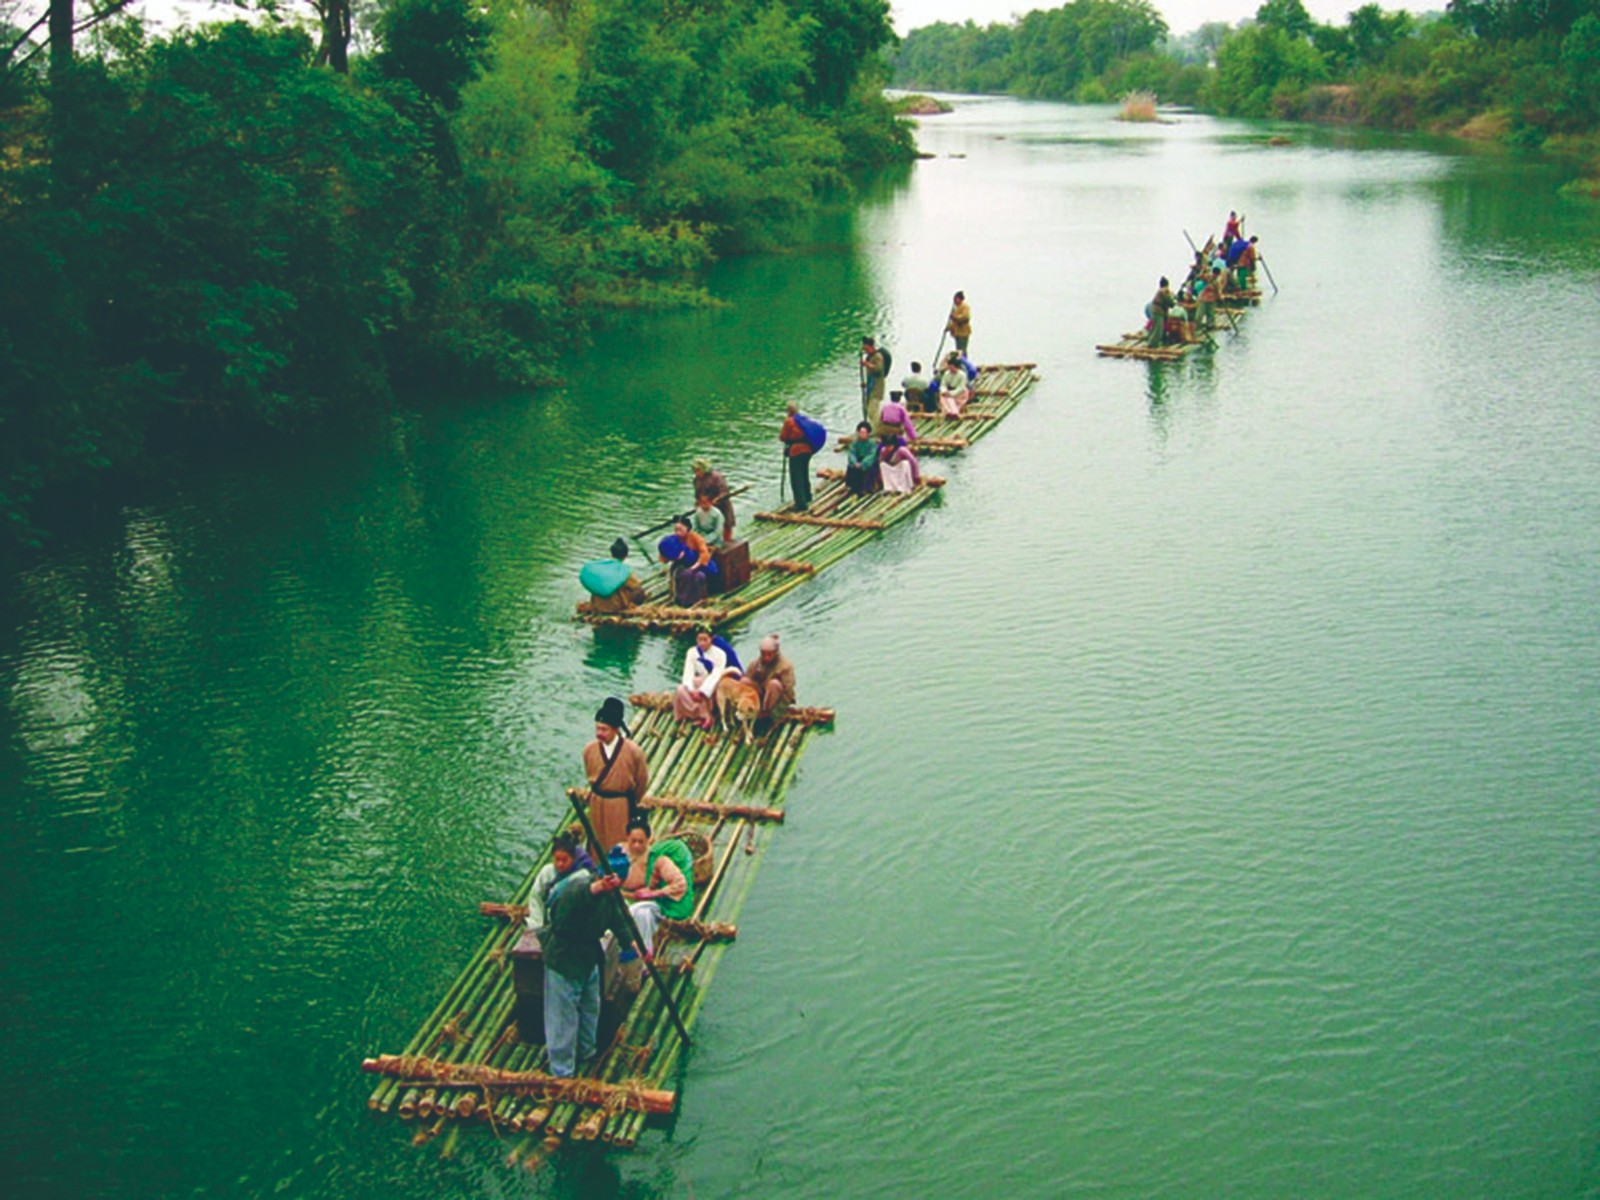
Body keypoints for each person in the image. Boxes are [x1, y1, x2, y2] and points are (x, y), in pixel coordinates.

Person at [538, 854, 629, 1077]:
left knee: (590, 1007)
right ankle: (562, 1070)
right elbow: (569, 902)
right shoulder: (579, 887)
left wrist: (633, 946)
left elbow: (620, 920)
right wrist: (597, 888)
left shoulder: (611, 897)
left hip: (588, 957)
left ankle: (586, 1051)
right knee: (563, 1016)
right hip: (564, 957)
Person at [582, 697, 650, 858]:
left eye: (604, 730)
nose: (599, 734)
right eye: (597, 728)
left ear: (616, 729)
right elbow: (589, 773)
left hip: (620, 804)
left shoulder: (633, 751)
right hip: (597, 802)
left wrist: (630, 800)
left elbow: (641, 780)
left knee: (619, 843)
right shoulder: (589, 750)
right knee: (596, 841)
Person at [622, 816, 696, 954]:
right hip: (652, 902)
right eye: (633, 841)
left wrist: (652, 893)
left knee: (639, 912)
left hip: (669, 905)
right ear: (627, 838)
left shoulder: (660, 860)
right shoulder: (623, 853)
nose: (637, 845)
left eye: (641, 842)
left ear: (648, 840)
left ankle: (645, 952)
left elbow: (680, 884)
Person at [525, 828, 596, 931]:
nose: (560, 864)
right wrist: (537, 923)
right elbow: (536, 896)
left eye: (564, 860)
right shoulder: (547, 871)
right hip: (551, 920)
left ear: (573, 859)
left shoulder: (582, 876)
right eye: (557, 860)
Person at [674, 628, 733, 729]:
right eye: (699, 640)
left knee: (699, 682)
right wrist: (691, 690)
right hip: (697, 684)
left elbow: (716, 675)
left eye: (705, 640)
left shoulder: (720, 654)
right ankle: (698, 714)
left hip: (713, 685)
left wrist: (702, 691)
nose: (702, 643)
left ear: (711, 639)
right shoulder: (692, 652)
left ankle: (707, 715)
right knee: (680, 689)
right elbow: (688, 672)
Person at [578, 538, 647, 613]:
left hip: (597, 606)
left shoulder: (601, 567)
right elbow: (636, 587)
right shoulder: (624, 571)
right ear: (625, 555)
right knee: (639, 591)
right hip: (615, 607)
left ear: (611, 553)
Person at [658, 516, 717, 600]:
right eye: (676, 530)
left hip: (698, 563)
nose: (678, 533)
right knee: (675, 572)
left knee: (697, 576)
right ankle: (677, 595)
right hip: (682, 563)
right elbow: (665, 556)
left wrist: (693, 568)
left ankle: (695, 598)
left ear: (688, 528)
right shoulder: (674, 539)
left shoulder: (696, 538)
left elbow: (704, 554)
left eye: (680, 530)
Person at [744, 633, 796, 722]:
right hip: (761, 696)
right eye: (764, 654)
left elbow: (788, 692)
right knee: (744, 681)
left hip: (777, 700)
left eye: (769, 654)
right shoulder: (755, 664)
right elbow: (748, 679)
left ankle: (766, 713)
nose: (766, 657)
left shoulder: (785, 666)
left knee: (773, 684)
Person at [779, 402, 814, 511]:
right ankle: (807, 496)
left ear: (789, 411)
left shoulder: (789, 421)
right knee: (804, 472)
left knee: (796, 477)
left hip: (796, 451)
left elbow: (783, 436)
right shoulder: (804, 419)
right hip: (807, 450)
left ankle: (801, 504)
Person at [692, 459, 736, 543]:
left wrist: (717, 499)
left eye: (698, 470)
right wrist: (698, 502)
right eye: (695, 471)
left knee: (726, 525)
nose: (697, 473)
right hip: (706, 504)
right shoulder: (697, 479)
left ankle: (727, 543)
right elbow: (697, 493)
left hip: (722, 504)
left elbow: (725, 491)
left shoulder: (716, 477)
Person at [845, 421, 880, 496]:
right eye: (860, 433)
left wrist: (863, 463)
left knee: (870, 469)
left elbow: (872, 455)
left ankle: (866, 488)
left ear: (868, 433)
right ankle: (852, 487)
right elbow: (851, 453)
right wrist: (854, 462)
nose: (862, 435)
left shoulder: (872, 444)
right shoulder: (855, 443)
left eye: (864, 433)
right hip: (857, 462)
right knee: (851, 468)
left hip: (867, 463)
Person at [860, 336, 887, 425]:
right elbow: (871, 375)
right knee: (869, 411)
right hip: (870, 388)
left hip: (876, 389)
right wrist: (865, 384)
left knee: (873, 412)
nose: (866, 351)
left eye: (867, 349)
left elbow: (878, 370)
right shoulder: (870, 357)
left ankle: (876, 429)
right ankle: (872, 427)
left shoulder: (877, 357)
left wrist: (867, 364)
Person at [1145, 277, 1175, 347]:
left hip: (1155, 310)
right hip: (1158, 311)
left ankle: (1150, 341)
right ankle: (1152, 344)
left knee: (1154, 327)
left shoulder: (1160, 291)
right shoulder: (1163, 292)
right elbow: (1170, 303)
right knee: (1158, 328)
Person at [937, 351, 969, 417]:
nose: (950, 369)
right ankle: (949, 411)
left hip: (960, 393)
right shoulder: (947, 373)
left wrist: (951, 393)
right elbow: (943, 384)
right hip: (948, 391)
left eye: (952, 367)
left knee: (950, 398)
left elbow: (961, 387)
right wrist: (944, 391)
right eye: (949, 367)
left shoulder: (962, 375)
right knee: (944, 397)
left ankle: (954, 412)